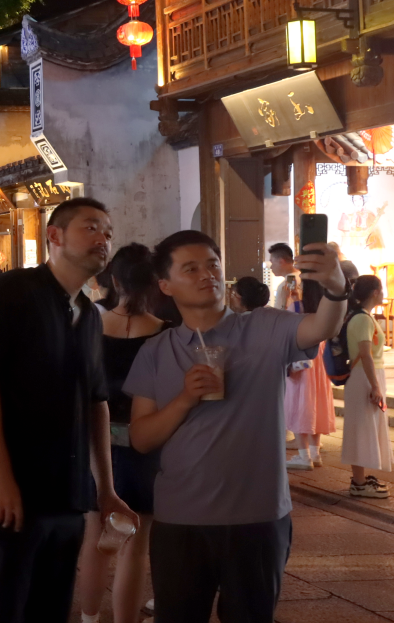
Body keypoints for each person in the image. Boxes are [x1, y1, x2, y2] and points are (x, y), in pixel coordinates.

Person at [126, 231, 347, 623]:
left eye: (212, 264)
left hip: (258, 516)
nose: (206, 274)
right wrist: (184, 399)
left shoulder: (264, 327)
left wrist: (334, 288)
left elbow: (320, 329)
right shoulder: (156, 351)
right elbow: (141, 438)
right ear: (165, 284)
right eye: (190, 268)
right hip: (181, 518)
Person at [0, 197, 134, 623]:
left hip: (65, 488)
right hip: (4, 482)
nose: (103, 239)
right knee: (2, 602)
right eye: (91, 228)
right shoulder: (13, 290)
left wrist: (105, 488)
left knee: (50, 605)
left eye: (107, 232)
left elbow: (96, 403)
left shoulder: (88, 315)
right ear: (54, 236)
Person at [76, 244, 165, 623]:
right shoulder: (166, 333)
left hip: (94, 442)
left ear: (113, 280)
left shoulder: (89, 323)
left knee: (95, 538)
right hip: (144, 444)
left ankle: (89, 618)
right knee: (135, 544)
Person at [278, 243, 336, 471]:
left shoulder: (296, 303)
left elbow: (289, 330)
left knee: (299, 402)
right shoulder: (325, 302)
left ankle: (304, 455)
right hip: (320, 356)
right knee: (317, 401)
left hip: (301, 354)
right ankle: (315, 452)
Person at [340, 275, 392, 498]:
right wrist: (375, 386)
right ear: (375, 292)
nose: (384, 293)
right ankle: (358, 483)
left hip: (365, 376)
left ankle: (360, 479)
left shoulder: (361, 316)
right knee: (361, 427)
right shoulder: (362, 319)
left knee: (364, 425)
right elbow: (366, 354)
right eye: (382, 289)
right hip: (364, 377)